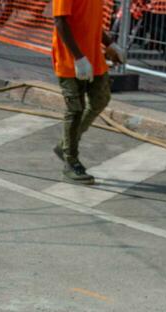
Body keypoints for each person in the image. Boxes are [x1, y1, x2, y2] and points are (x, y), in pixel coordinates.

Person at [51, 0, 123, 183]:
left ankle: (65, 145)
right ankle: (70, 161)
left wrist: (110, 44)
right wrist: (78, 58)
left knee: (101, 99)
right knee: (75, 109)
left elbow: (91, 22)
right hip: (70, 60)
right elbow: (60, 21)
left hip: (93, 57)